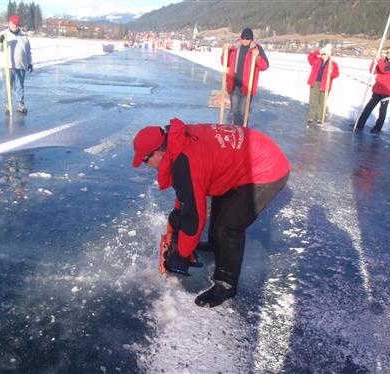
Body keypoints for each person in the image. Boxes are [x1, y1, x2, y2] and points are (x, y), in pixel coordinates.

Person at [132, 118, 290, 307]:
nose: (144, 164)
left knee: (229, 226)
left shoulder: (186, 160)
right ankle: (217, 245)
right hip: (243, 159)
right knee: (219, 199)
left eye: (144, 159)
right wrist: (177, 213)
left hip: (267, 168)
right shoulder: (177, 142)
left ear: (158, 153)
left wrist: (181, 255)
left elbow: (194, 216)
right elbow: (188, 192)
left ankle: (226, 285)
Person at [223, 28, 269, 126]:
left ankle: (243, 133)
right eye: (243, 38)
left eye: (247, 38)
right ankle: (236, 132)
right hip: (234, 85)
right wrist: (225, 52)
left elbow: (264, 66)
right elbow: (225, 62)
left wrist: (257, 57)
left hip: (247, 87)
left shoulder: (257, 49)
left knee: (243, 114)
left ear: (251, 39)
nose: (244, 40)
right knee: (234, 112)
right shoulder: (235, 48)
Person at [355, 46, 390, 134]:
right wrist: (375, 61)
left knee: (382, 111)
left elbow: (385, 69)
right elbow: (373, 71)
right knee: (368, 108)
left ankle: (377, 128)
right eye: (387, 52)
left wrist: (379, 60)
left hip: (386, 90)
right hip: (377, 89)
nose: (388, 54)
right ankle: (359, 125)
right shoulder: (384, 61)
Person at [0, 15, 33, 114]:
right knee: (7, 86)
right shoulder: (4, 34)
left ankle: (20, 105)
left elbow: (28, 51)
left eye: (17, 24)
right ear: (10, 23)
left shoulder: (23, 36)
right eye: (13, 24)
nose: (15, 26)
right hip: (8, 66)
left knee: (20, 86)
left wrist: (30, 63)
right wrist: (1, 42)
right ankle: (8, 106)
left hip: (21, 65)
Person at [307, 43, 339, 124]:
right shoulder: (317, 60)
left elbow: (336, 73)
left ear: (328, 54)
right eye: (322, 53)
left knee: (322, 102)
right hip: (315, 82)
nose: (322, 55)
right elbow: (310, 57)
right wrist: (318, 52)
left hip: (325, 85)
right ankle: (311, 116)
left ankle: (320, 117)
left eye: (324, 54)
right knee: (313, 100)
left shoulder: (333, 64)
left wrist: (331, 73)